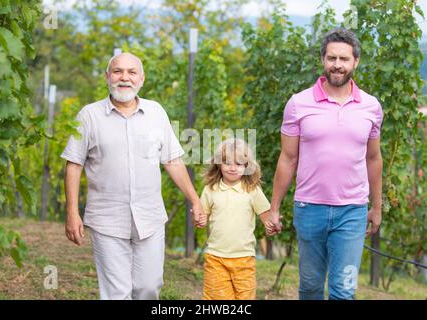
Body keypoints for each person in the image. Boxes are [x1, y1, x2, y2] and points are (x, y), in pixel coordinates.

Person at [61, 52, 205, 300]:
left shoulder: (156, 112)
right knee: (117, 293)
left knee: (148, 288)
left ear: (141, 79)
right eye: (118, 71)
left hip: (149, 217)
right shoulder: (89, 116)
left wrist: (195, 199)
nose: (124, 78)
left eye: (131, 72)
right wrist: (72, 213)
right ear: (107, 77)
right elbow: (74, 164)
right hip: (106, 219)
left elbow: (172, 160)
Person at [267, 28, 384, 300]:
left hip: (353, 211)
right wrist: (274, 208)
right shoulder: (298, 104)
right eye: (331, 58)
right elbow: (288, 158)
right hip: (309, 208)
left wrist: (376, 207)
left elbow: (373, 158)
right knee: (309, 287)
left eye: (344, 59)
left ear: (356, 61)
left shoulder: (371, 107)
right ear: (322, 60)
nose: (337, 65)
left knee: (344, 290)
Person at [199, 138, 279, 300]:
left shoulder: (252, 190)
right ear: (219, 164)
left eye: (239, 163)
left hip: (244, 258)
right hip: (216, 258)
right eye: (227, 163)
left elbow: (267, 217)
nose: (233, 168)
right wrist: (199, 220)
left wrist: (273, 225)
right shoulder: (210, 190)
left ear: (246, 166)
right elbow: (202, 218)